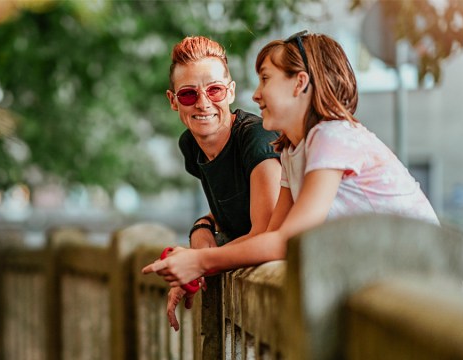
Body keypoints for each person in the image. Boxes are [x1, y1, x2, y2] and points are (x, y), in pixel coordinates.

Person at [143, 31, 439, 290]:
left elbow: (286, 241)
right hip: (381, 282)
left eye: (265, 80)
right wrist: (195, 260)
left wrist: (200, 262)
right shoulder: (292, 150)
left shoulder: (332, 136)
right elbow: (273, 234)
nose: (256, 95)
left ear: (299, 83)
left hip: (423, 285)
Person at [163, 35, 282, 331]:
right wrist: (202, 227)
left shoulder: (257, 139)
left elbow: (265, 231)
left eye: (214, 90)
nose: (203, 103)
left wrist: (198, 261)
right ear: (173, 101)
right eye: (189, 94)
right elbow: (234, 202)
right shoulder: (190, 145)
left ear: (230, 92)